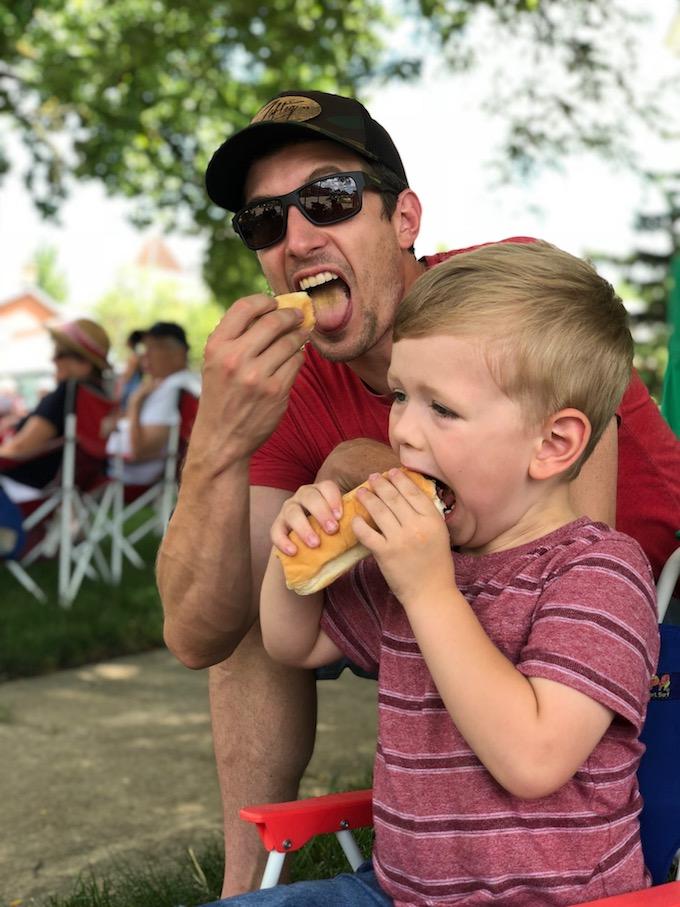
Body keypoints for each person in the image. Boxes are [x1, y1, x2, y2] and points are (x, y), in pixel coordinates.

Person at [157, 90, 679, 896]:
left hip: (634, 592)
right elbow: (225, 635)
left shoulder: (515, 316)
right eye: (264, 222)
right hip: (445, 607)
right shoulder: (288, 386)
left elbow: (571, 540)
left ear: (404, 218)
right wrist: (230, 453)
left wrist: (371, 478)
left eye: (327, 200)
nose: (297, 240)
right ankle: (245, 885)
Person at [0, 318, 111, 503]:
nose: (53, 359)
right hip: (59, 486)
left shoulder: (67, 393)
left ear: (84, 363)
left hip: (21, 484)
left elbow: (19, 448)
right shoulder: (98, 397)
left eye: (60, 354)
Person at [105, 321, 200, 484]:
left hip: (127, 472)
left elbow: (141, 450)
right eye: (144, 348)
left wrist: (135, 403)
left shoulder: (174, 388)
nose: (144, 355)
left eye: (153, 347)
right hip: (121, 467)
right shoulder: (168, 385)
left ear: (178, 353)